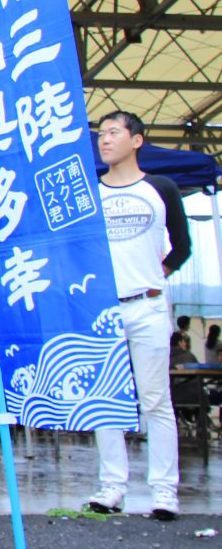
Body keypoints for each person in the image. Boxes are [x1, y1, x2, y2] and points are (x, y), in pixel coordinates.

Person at [87, 111, 192, 521]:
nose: (105, 140)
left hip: (147, 305)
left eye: (114, 132)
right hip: (105, 309)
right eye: (101, 134)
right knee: (105, 399)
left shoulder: (161, 188)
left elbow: (182, 246)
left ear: (136, 140)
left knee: (155, 399)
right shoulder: (91, 192)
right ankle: (112, 487)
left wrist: (155, 275)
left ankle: (164, 491)